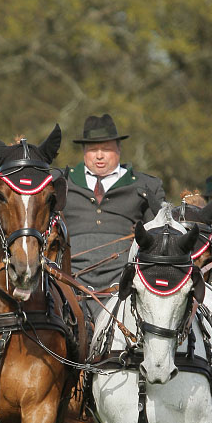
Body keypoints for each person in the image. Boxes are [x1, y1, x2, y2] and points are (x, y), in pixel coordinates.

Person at [62, 114, 165, 319]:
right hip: (69, 284)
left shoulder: (146, 186)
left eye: (106, 149)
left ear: (118, 149)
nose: (99, 156)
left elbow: (161, 238)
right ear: (84, 152)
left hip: (126, 284)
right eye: (93, 150)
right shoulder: (62, 183)